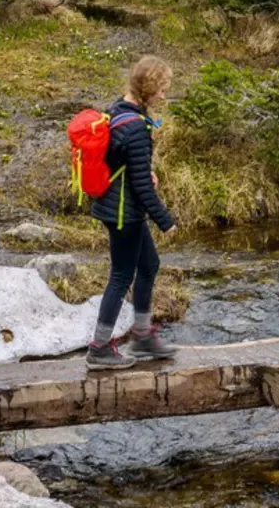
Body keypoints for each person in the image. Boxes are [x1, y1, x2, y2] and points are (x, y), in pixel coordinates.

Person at [86, 55, 178, 368]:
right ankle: (99, 348)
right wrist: (166, 221)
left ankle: (141, 336)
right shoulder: (137, 128)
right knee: (121, 276)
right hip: (124, 213)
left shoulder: (118, 109)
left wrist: (141, 169)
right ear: (147, 89)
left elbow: (128, 167)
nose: (163, 95)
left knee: (149, 264)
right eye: (161, 89)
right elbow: (141, 186)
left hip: (117, 205)